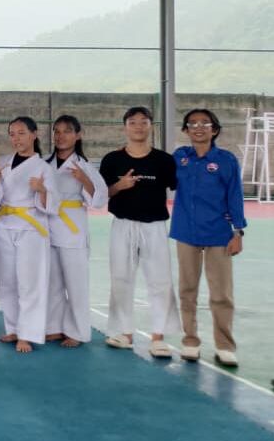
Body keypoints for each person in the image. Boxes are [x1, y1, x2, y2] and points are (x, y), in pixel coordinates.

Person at [100, 106, 180, 359]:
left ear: (150, 126)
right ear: (125, 127)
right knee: (120, 278)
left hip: (154, 225)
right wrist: (119, 185)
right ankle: (124, 332)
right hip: (122, 224)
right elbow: (102, 194)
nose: (138, 126)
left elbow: (179, 188)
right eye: (132, 122)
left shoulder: (164, 160)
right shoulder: (112, 159)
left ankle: (159, 337)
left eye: (143, 122)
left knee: (161, 279)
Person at [172, 109, 246, 367]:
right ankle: (190, 341)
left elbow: (235, 196)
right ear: (185, 130)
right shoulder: (180, 157)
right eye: (192, 123)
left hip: (219, 233)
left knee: (221, 293)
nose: (199, 127)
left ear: (214, 130)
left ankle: (225, 346)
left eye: (205, 123)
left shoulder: (226, 160)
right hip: (186, 232)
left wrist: (238, 231)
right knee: (187, 290)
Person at [0, 116, 56, 354]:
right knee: (6, 280)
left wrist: (42, 190)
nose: (16, 138)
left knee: (29, 282)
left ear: (34, 134)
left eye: (21, 133)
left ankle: (28, 334)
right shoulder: (2, 163)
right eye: (12, 134)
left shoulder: (43, 168)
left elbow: (53, 205)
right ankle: (13, 328)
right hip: (5, 225)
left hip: (31, 228)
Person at [44, 115, 107, 348]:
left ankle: (78, 331)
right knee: (52, 282)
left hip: (72, 229)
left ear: (78, 135)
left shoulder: (84, 166)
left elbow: (99, 200)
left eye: (67, 131)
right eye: (57, 131)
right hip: (47, 227)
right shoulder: (44, 163)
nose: (61, 136)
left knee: (76, 283)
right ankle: (53, 327)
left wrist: (84, 180)